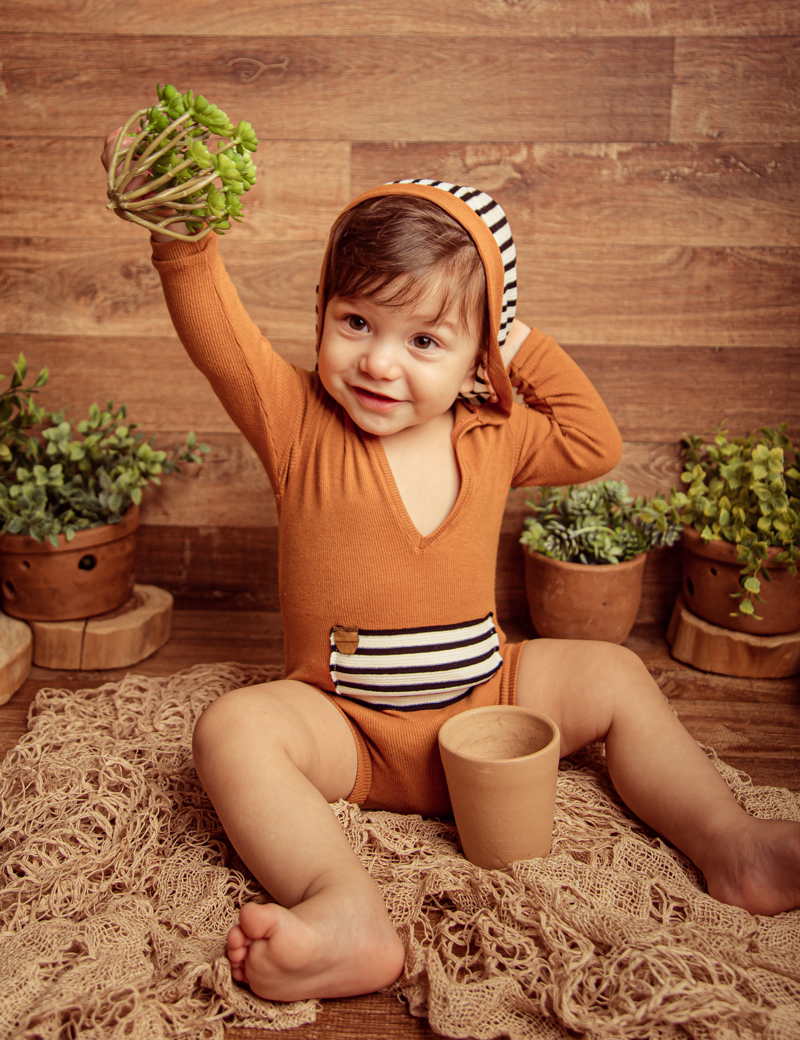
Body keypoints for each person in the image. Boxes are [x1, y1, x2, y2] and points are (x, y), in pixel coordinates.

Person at [102, 136, 800, 1004]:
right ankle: (344, 905)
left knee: (616, 674)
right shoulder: (298, 424)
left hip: (489, 704)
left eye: (425, 339)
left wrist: (512, 339)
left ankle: (731, 843)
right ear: (323, 312)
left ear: (478, 358)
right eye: (356, 322)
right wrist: (180, 229)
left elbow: (594, 442)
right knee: (231, 728)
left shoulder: (495, 432)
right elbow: (220, 337)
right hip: (345, 729)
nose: (379, 361)